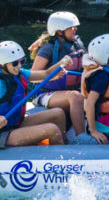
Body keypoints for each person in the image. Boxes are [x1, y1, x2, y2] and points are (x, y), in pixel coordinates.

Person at [0, 41, 66, 148]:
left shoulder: (18, 73)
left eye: (22, 61)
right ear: (3, 64)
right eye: (15, 63)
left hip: (15, 123)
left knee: (58, 113)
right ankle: (61, 160)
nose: (19, 65)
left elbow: (45, 74)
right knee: (51, 130)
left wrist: (61, 64)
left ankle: (66, 147)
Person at [28, 11, 88, 140]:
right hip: (45, 94)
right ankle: (81, 138)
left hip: (69, 91)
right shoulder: (47, 49)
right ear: (60, 32)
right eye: (71, 27)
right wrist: (53, 74)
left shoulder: (77, 43)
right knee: (76, 97)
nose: (75, 29)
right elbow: (32, 76)